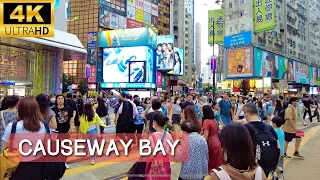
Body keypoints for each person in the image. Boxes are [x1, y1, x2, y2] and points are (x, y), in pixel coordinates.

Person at [2, 97, 48, 179]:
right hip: (39, 165)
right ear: (36, 109)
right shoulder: (44, 125)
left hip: (17, 166)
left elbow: (5, 149)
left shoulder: (13, 127)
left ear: (20, 110)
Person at [243, 103, 280, 177]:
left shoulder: (244, 129)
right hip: (267, 164)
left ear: (247, 113)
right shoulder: (269, 128)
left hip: (250, 167)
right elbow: (278, 147)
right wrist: (275, 164)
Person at [145, 112, 172, 180]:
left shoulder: (152, 136)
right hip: (166, 165)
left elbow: (150, 154)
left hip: (155, 166)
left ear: (155, 122)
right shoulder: (169, 135)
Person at [202, 105, 222, 172]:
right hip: (217, 139)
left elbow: (206, 136)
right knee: (216, 160)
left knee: (210, 160)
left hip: (210, 141)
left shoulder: (206, 121)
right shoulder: (214, 120)